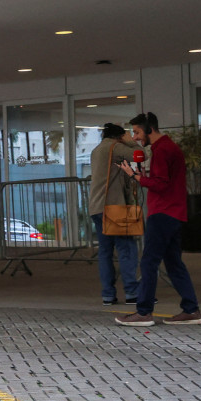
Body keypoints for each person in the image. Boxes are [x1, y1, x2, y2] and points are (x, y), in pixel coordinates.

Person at [115, 112, 201, 326]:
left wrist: (136, 177)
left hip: (163, 213)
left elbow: (161, 184)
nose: (135, 137)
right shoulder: (166, 147)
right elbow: (164, 181)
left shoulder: (162, 150)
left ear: (149, 129)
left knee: (148, 261)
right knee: (174, 264)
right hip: (174, 213)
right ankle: (191, 310)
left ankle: (144, 312)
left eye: (137, 132)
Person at [88, 123, 141, 305]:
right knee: (126, 248)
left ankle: (108, 295)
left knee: (105, 252)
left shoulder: (96, 150)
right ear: (119, 136)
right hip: (114, 207)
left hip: (96, 207)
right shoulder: (116, 147)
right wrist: (131, 142)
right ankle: (132, 292)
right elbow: (142, 155)